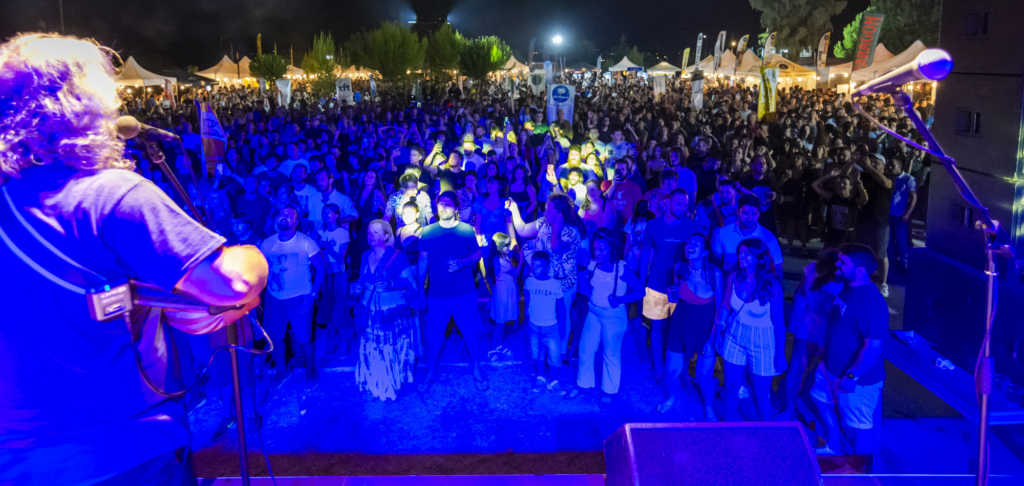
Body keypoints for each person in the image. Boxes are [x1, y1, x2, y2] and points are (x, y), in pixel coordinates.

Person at [0, 33, 267, 485]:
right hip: (124, 453)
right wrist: (251, 256)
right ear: (87, 101)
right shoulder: (109, 195)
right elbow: (231, 285)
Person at [811, 244, 887, 457]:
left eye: (843, 262)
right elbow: (844, 325)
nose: (837, 263)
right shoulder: (849, 287)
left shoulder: (872, 303)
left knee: (858, 428)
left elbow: (873, 347)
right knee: (819, 398)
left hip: (856, 379)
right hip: (830, 367)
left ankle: (862, 472)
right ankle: (834, 446)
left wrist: (852, 375)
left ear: (861, 270)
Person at [566, 229, 646, 406]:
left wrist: (621, 299)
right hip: (594, 313)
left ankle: (608, 392)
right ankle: (583, 385)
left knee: (611, 354)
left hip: (614, 316)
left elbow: (641, 291)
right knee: (586, 349)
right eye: (595, 249)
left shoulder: (621, 268)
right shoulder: (592, 265)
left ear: (612, 248)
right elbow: (591, 287)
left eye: (602, 249)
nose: (597, 252)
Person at [417, 191, 488, 391]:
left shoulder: (466, 229)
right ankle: (430, 373)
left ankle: (476, 370)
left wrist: (462, 262)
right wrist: (420, 291)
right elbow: (422, 262)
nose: (443, 207)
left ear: (457, 208)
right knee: (434, 337)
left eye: (448, 204)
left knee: (472, 335)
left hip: (465, 294)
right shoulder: (428, 231)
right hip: (438, 296)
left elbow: (477, 255)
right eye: (440, 204)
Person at [717, 238, 787, 422]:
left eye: (747, 253)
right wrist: (719, 331)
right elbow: (725, 306)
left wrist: (780, 355)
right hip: (734, 336)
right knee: (731, 386)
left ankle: (766, 435)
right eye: (740, 252)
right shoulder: (734, 278)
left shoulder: (772, 285)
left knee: (760, 394)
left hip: (762, 340)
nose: (741, 256)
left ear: (759, 257)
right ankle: (727, 426)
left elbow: (779, 323)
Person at [509, 193, 586, 355]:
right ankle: (545, 350)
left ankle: (561, 351)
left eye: (549, 211)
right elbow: (522, 230)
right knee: (544, 316)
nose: (544, 214)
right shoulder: (544, 222)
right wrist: (514, 209)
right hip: (543, 281)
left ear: (560, 214)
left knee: (561, 316)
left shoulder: (572, 231)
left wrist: (556, 226)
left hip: (563, 284)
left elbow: (556, 248)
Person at [658, 234, 724, 420]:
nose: (690, 246)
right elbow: (675, 297)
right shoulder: (680, 268)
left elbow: (720, 309)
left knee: (704, 376)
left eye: (696, 243)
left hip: (706, 330)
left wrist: (714, 337)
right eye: (688, 243)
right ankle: (671, 397)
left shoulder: (714, 273)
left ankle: (709, 407)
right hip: (680, 326)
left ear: (705, 251)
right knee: (672, 370)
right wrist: (673, 297)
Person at [352, 220, 419, 401]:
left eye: (375, 232)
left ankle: (388, 384)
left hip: (392, 311)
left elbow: (410, 283)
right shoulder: (365, 255)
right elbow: (363, 278)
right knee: (372, 346)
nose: (370, 235)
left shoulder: (398, 257)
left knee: (388, 348)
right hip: (369, 309)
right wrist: (357, 287)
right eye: (369, 232)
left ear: (386, 236)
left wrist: (390, 284)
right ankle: (373, 381)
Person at [260, 205, 327, 387]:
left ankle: (310, 369)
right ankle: (283, 370)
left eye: (289, 215)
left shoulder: (306, 242)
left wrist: (312, 295)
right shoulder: (267, 244)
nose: (284, 217)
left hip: (300, 299)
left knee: (304, 338)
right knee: (275, 337)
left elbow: (321, 268)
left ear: (296, 222)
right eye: (282, 214)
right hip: (274, 299)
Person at [640, 189, 703, 381]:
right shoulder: (653, 225)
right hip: (657, 284)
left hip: (683, 288)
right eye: (679, 204)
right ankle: (659, 368)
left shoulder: (693, 227)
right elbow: (645, 253)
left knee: (680, 331)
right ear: (668, 203)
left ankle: (682, 370)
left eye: (685, 204)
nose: (683, 208)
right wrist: (642, 280)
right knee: (657, 328)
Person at [780, 250, 843, 421]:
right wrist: (794, 319)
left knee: (830, 374)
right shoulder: (811, 270)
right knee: (796, 367)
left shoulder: (844, 279)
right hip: (810, 322)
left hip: (833, 328)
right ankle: (790, 409)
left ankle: (833, 417)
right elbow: (800, 293)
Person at [710, 194, 784, 279]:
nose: (749, 218)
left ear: (759, 214)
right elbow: (715, 262)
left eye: (753, 214)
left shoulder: (769, 238)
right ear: (738, 211)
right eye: (745, 213)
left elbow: (778, 269)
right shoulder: (723, 232)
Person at [524, 251, 566, 393]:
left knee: (554, 355)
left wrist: (562, 325)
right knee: (538, 354)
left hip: (551, 327)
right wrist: (527, 310)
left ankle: (553, 380)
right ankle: (541, 377)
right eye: (533, 266)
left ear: (547, 267)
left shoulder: (554, 284)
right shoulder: (529, 281)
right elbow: (527, 295)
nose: (534, 269)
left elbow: (561, 306)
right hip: (534, 327)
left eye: (539, 266)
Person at [316, 203, 352, 357]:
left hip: (337, 275)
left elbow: (340, 258)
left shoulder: (342, 233)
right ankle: (332, 340)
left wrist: (326, 247)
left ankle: (343, 341)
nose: (326, 214)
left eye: (329, 212)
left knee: (338, 308)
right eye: (324, 212)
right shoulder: (318, 232)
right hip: (323, 276)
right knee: (326, 309)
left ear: (337, 215)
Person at [488, 232, 523, 361]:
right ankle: (492, 349)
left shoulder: (503, 258)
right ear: (499, 246)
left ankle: (497, 345)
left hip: (505, 291)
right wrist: (522, 259)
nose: (509, 246)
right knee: (499, 323)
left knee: (502, 322)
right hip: (503, 293)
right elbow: (517, 274)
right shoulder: (502, 261)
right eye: (507, 245)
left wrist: (515, 251)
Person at [887, 156, 917, 273]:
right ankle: (892, 261)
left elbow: (913, 198)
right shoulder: (888, 178)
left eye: (892, 165)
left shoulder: (908, 179)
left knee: (901, 240)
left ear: (899, 166)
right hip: (887, 215)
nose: (890, 167)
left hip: (900, 215)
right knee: (888, 240)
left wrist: (907, 214)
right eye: (889, 165)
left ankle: (904, 263)